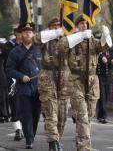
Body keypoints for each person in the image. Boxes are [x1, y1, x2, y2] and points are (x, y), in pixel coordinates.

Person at [59, 15, 112, 151]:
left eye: (86, 24)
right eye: (81, 24)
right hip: (76, 82)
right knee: (82, 116)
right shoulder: (72, 41)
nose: (84, 26)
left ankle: (80, 142)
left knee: (88, 116)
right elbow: (61, 46)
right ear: (77, 26)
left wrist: (106, 35)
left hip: (92, 83)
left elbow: (105, 47)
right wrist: (79, 36)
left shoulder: (92, 41)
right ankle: (85, 148)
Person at [32, 17, 68, 151]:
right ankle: (53, 142)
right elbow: (35, 39)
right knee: (51, 113)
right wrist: (53, 33)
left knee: (62, 115)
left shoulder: (66, 40)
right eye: (54, 25)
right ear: (50, 27)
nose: (57, 27)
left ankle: (57, 138)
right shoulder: (46, 39)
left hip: (64, 80)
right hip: (48, 79)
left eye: (59, 25)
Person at [6, 22, 42, 149]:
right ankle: (29, 138)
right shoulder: (15, 51)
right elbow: (9, 69)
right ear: (21, 35)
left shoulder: (39, 49)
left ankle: (32, 134)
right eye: (25, 32)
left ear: (33, 34)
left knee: (35, 114)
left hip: (38, 87)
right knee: (26, 113)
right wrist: (21, 76)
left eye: (30, 32)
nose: (28, 34)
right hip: (23, 87)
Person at [3, 26, 23, 141]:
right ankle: (18, 130)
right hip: (13, 80)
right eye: (19, 32)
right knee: (15, 105)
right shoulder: (9, 45)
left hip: (27, 80)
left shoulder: (31, 46)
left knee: (26, 107)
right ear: (16, 34)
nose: (22, 35)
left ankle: (25, 128)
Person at [96, 48, 113, 123]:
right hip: (100, 77)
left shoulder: (110, 50)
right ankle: (103, 116)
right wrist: (103, 57)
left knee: (107, 96)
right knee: (102, 96)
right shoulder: (98, 50)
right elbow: (99, 57)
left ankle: (100, 115)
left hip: (108, 77)